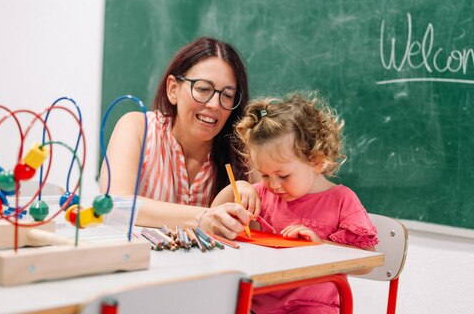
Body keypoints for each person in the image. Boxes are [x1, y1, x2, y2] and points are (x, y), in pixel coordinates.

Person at [212, 92, 378, 314]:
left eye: (283, 175)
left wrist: (322, 246)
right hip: (258, 303)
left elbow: (367, 262)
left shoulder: (341, 200)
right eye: (265, 175)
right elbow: (211, 218)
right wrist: (237, 189)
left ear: (317, 161)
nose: (274, 185)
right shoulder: (260, 194)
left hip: (312, 307)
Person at [99, 36, 252, 238]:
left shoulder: (243, 150)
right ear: (173, 89)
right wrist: (203, 217)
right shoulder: (138, 128)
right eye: (203, 89)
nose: (215, 104)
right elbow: (115, 204)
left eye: (227, 95)